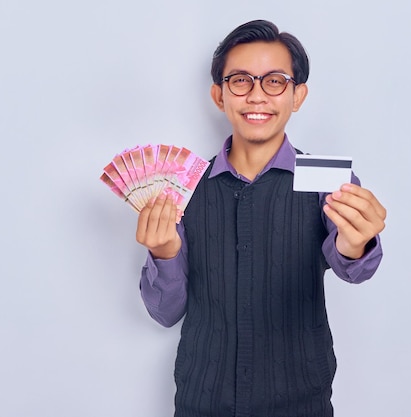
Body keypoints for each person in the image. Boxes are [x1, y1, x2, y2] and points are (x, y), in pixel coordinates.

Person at [136, 19, 386, 417]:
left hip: (300, 402)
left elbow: (355, 269)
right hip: (202, 402)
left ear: (297, 95)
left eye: (274, 81)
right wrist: (164, 251)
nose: (256, 96)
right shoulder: (183, 187)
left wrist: (356, 246)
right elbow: (165, 312)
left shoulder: (328, 181)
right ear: (219, 95)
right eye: (240, 81)